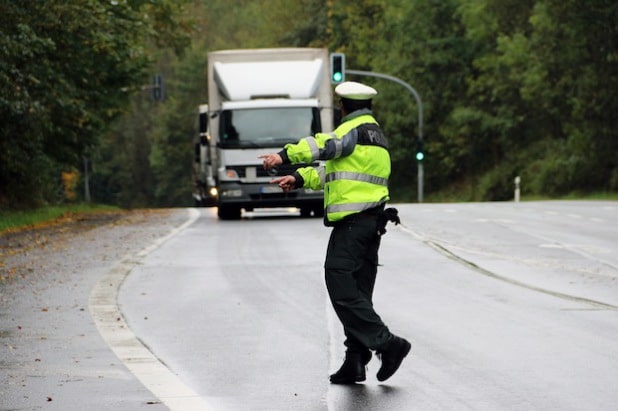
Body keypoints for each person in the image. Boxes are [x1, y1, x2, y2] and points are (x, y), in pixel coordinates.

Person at [260, 81, 411, 384]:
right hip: (372, 223)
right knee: (357, 292)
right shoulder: (375, 135)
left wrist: (283, 156)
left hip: (354, 224)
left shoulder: (350, 131)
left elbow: (325, 146)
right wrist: (300, 179)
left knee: (340, 283)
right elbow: (336, 171)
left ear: (343, 106)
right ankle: (355, 360)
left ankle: (387, 344)